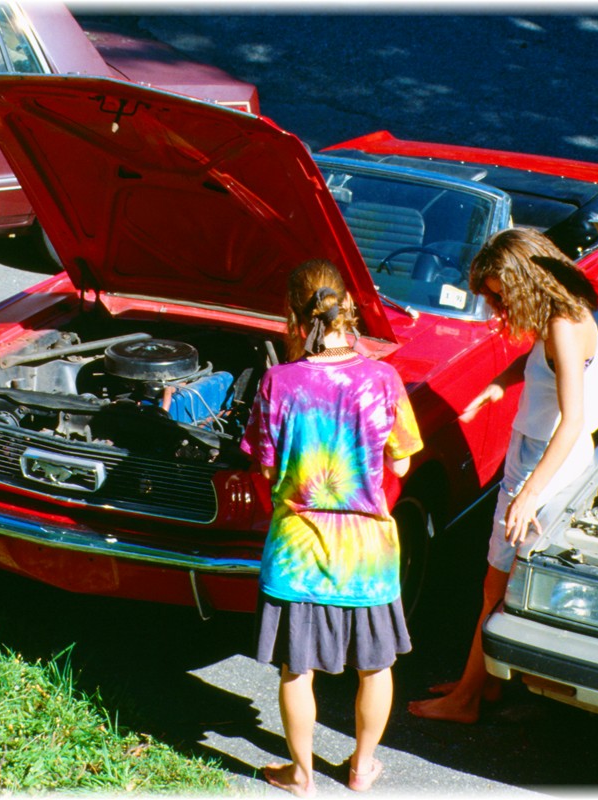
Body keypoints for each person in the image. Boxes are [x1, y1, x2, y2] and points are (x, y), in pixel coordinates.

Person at [408, 227, 598, 724]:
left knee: (496, 587)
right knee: (505, 584)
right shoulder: (572, 305)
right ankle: (486, 685)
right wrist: (499, 387)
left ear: (521, 280)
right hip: (542, 455)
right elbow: (545, 371)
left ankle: (464, 699)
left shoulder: (563, 328)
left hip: (544, 462)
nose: (499, 310)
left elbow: (572, 420)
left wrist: (528, 494)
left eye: (500, 297)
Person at [240, 259, 424, 797]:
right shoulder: (383, 379)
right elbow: (402, 462)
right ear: (349, 309)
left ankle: (301, 776)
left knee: (297, 670)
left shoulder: (279, 383)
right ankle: (362, 769)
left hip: (297, 549)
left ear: (296, 316)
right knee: (375, 666)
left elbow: (267, 468)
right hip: (367, 554)